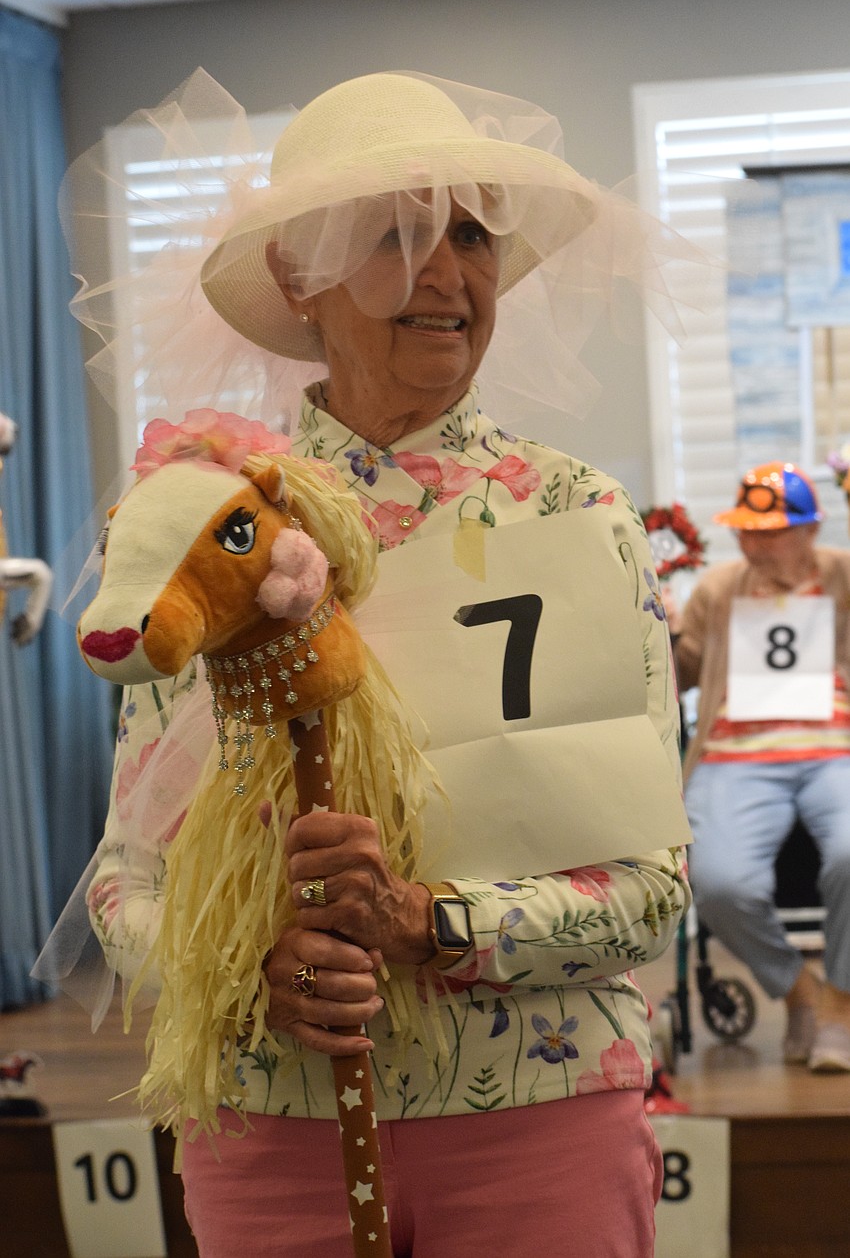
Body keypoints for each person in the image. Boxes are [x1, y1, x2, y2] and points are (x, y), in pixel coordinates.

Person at [51, 70, 694, 1258]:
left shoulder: (573, 511)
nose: (448, 274)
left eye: (471, 234)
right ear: (299, 279)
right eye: (394, 237)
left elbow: (651, 889)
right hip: (272, 1117)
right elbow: (124, 878)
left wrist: (431, 923)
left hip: (541, 1114)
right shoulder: (206, 525)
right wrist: (253, 967)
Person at [672, 461, 850, 1074]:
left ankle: (840, 1006)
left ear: (810, 530)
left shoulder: (840, 576)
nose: (753, 543)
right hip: (734, 755)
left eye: (770, 531)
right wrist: (652, 628)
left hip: (836, 748)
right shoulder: (721, 588)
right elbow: (679, 672)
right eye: (746, 530)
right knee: (720, 883)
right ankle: (800, 989)